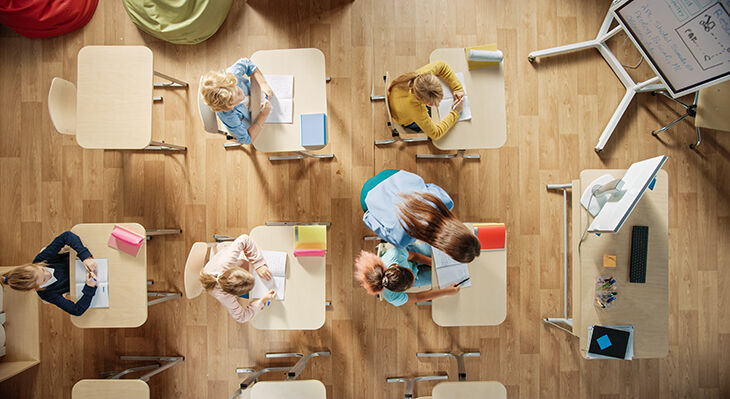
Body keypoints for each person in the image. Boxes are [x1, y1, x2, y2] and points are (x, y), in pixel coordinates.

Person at [361, 169, 480, 263]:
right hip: (368, 193)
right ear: (447, 251)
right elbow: (367, 217)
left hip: (394, 175)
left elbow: (428, 186)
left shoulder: (446, 201)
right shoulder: (401, 240)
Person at [1, 231, 98, 316]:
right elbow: (76, 310)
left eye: (43, 270)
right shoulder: (46, 294)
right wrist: (90, 287)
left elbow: (66, 236)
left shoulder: (41, 259)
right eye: (44, 280)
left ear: (36, 265)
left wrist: (85, 257)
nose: (48, 274)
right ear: (36, 287)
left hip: (90, 259)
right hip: (91, 283)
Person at [199, 234, 276, 324]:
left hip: (220, 262)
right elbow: (242, 318)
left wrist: (258, 264)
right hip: (215, 270)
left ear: (235, 269)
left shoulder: (226, 262)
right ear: (233, 295)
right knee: (254, 295)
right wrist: (262, 300)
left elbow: (244, 239)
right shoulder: (224, 296)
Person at [353, 246, 460, 306]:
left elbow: (414, 255)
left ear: (397, 266)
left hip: (413, 257)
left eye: (412, 276)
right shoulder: (393, 297)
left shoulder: (395, 255)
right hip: (406, 269)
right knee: (448, 277)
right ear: (400, 290)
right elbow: (419, 297)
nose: (414, 278)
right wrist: (447, 291)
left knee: (447, 253)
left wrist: (432, 262)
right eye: (411, 284)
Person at [200, 57, 274, 145]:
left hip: (255, 93)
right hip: (254, 116)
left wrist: (263, 83)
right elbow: (246, 139)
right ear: (228, 108)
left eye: (238, 92)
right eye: (235, 102)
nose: (242, 97)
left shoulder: (231, 76)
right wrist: (263, 115)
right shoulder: (228, 115)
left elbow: (246, 62)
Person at [387, 60, 465, 140]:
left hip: (396, 99)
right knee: (437, 121)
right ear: (421, 100)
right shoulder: (418, 111)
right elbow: (435, 134)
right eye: (431, 104)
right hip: (404, 119)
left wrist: (457, 88)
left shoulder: (422, 77)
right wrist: (455, 113)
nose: (437, 105)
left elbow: (442, 65)